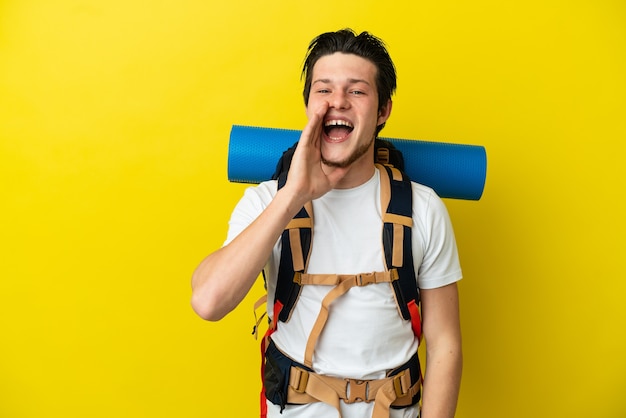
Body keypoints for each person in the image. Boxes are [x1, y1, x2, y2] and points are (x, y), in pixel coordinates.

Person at [191, 29, 463, 418]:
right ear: (308, 106)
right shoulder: (267, 201)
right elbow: (208, 302)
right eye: (323, 90)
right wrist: (293, 196)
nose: (338, 102)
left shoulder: (423, 208)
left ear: (383, 111)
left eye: (356, 91)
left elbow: (445, 345)